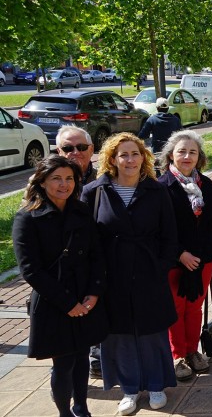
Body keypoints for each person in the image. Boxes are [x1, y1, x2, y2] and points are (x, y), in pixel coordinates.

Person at [82, 133, 178, 415]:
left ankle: (157, 384)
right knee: (119, 334)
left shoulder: (156, 190)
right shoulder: (95, 192)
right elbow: (88, 239)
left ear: (143, 158)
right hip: (112, 274)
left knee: (152, 331)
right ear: (112, 159)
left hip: (149, 270)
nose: (130, 160)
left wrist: (161, 266)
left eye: (135, 154)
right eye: (123, 155)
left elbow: (169, 236)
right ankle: (130, 389)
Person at [13, 156, 107, 417]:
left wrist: (94, 292)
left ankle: (82, 408)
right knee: (64, 362)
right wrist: (69, 304)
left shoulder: (81, 210)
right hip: (55, 302)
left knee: (81, 359)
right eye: (56, 178)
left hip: (85, 297)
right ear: (42, 182)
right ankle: (65, 413)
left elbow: (96, 254)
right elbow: (31, 270)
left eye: (69, 178)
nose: (63, 184)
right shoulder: (28, 218)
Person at [157, 130, 212, 381]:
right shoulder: (161, 187)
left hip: (203, 259)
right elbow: (159, 229)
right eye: (182, 151)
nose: (187, 156)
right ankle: (177, 356)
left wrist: (205, 257)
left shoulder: (206, 184)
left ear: (199, 157)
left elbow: (211, 224)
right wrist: (180, 254)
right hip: (175, 262)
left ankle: (193, 351)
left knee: (195, 307)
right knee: (176, 308)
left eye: (192, 152)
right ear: (171, 155)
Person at [56, 125, 102, 378]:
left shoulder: (104, 176)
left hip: (95, 258)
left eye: (81, 147)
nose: (75, 152)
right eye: (68, 148)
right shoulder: (47, 180)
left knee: (95, 309)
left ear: (91, 149)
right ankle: (64, 375)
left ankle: (96, 358)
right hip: (62, 265)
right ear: (58, 150)